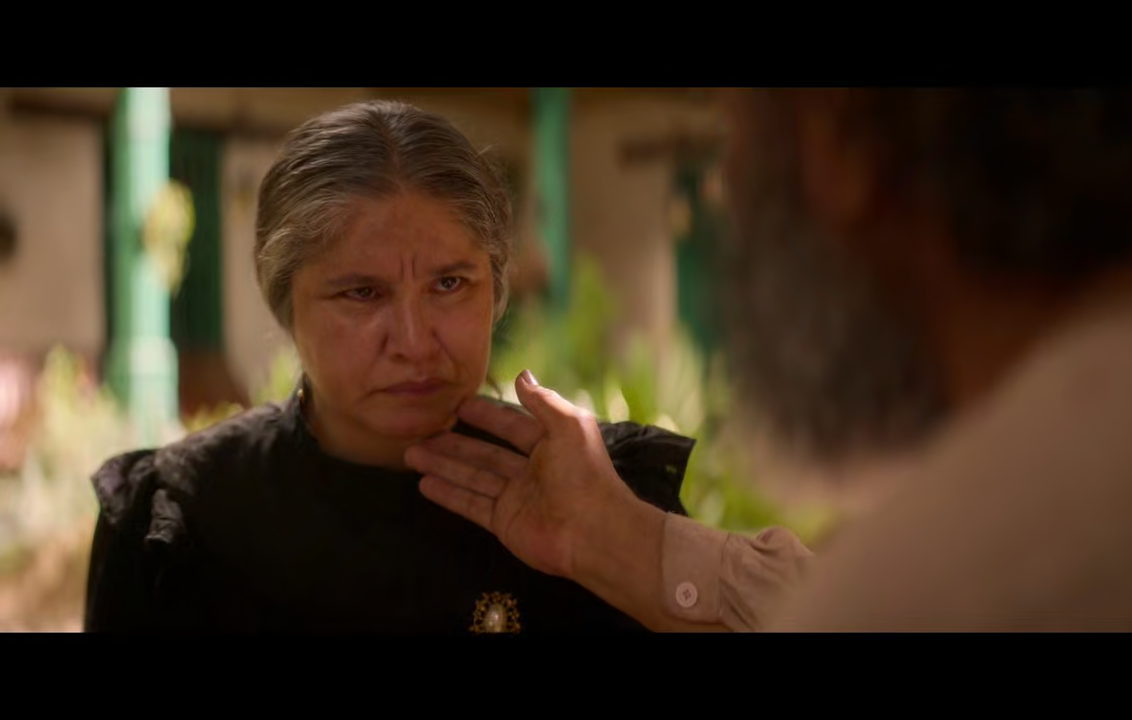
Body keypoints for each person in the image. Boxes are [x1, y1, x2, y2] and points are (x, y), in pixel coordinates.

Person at [407, 89, 1132, 631]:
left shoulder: (987, 575)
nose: (724, 184)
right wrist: (615, 537)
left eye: (734, 118)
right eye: (359, 293)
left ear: (846, 138)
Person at [81, 100, 692, 633]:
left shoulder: (596, 498)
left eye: (449, 284)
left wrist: (622, 548)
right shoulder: (183, 521)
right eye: (362, 293)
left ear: (495, 290)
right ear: (286, 304)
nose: (414, 343)